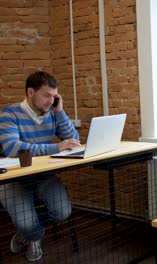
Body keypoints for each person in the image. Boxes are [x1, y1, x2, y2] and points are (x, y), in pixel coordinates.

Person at [0, 71, 81, 262]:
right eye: (46, 95)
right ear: (30, 92)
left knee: (63, 212)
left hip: (43, 175)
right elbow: (12, 148)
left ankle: (28, 233)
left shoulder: (52, 113)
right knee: (26, 222)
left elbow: (74, 139)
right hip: (12, 179)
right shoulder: (9, 114)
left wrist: (59, 112)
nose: (51, 101)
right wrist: (55, 147)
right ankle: (31, 235)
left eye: (54, 96)